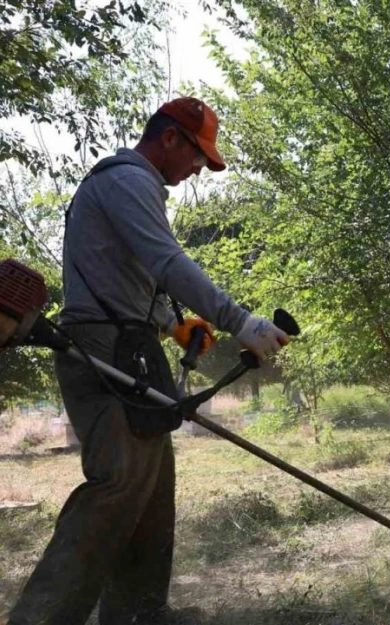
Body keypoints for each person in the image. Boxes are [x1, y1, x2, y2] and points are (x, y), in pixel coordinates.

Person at [8, 97, 291, 625]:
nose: (198, 170)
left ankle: (140, 612)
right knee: (117, 485)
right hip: (99, 348)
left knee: (154, 482)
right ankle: (40, 617)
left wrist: (173, 323)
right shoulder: (127, 180)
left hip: (127, 344)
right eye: (198, 157)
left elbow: (134, 277)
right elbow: (167, 261)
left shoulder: (135, 188)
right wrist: (241, 322)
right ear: (170, 139)